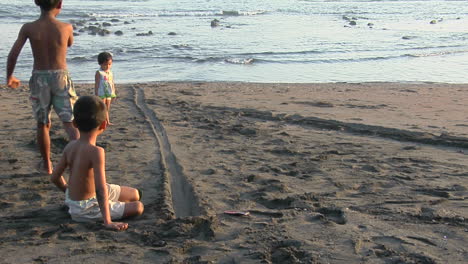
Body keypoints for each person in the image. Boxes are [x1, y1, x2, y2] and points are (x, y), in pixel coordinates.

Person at [6, 0, 79, 175]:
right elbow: (69, 43)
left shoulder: (29, 28)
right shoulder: (66, 27)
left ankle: (47, 164)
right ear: (60, 4)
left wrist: (9, 76)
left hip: (39, 77)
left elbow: (13, 54)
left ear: (37, 2)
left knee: (43, 123)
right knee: (70, 123)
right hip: (60, 76)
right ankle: (77, 162)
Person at [51, 96, 144, 231]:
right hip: (86, 208)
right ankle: (106, 210)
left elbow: (54, 177)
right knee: (138, 207)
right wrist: (108, 221)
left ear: (75, 123)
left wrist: (69, 192)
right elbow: (101, 189)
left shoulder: (70, 146)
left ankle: (83, 204)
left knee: (135, 194)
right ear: (104, 125)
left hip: (82, 198)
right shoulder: (96, 152)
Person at [95, 52, 117, 125]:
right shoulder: (99, 73)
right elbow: (97, 83)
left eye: (109, 64)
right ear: (100, 64)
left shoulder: (110, 72)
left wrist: (113, 92)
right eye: (105, 64)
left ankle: (107, 121)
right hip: (101, 92)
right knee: (102, 107)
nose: (107, 66)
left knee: (107, 107)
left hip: (109, 92)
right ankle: (101, 121)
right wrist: (96, 93)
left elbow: (112, 83)